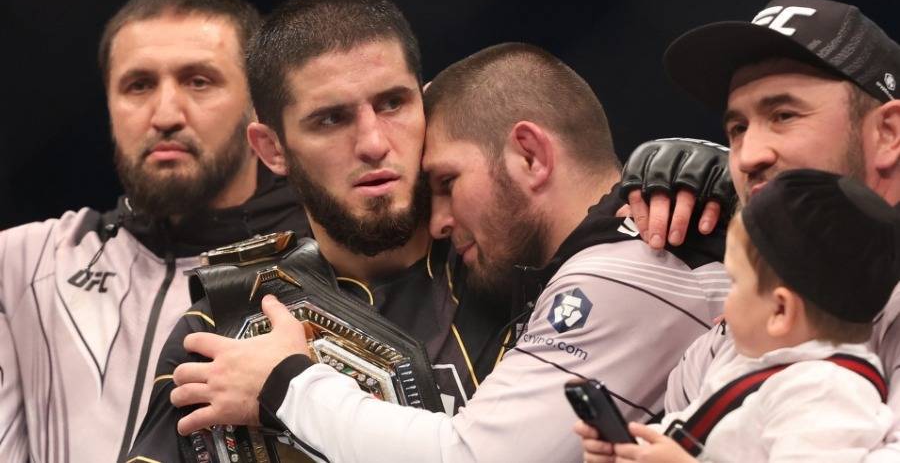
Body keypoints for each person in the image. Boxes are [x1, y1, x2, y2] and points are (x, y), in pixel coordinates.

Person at [164, 42, 730, 462]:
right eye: (331, 118)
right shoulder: (629, 248)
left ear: (530, 156)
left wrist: (286, 382)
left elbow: (470, 458)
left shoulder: (625, 269)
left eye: (446, 182)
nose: (437, 221)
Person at [126, 0, 509, 462]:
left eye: (392, 103)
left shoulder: (520, 269)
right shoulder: (227, 325)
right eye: (331, 119)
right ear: (272, 149)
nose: (373, 142)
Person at [0, 0, 312, 463]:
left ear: (258, 106)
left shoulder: (320, 271)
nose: (165, 115)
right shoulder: (22, 265)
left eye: (199, 81)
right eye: (139, 85)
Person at [618, 0, 900, 460]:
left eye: (783, 115)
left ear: (888, 134)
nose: (748, 157)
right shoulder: (722, 343)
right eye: (737, 129)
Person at [578, 169, 898, 462]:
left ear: (780, 310)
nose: (725, 306)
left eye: (734, 283)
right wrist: (632, 450)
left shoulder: (825, 394)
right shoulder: (757, 365)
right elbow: (695, 437)